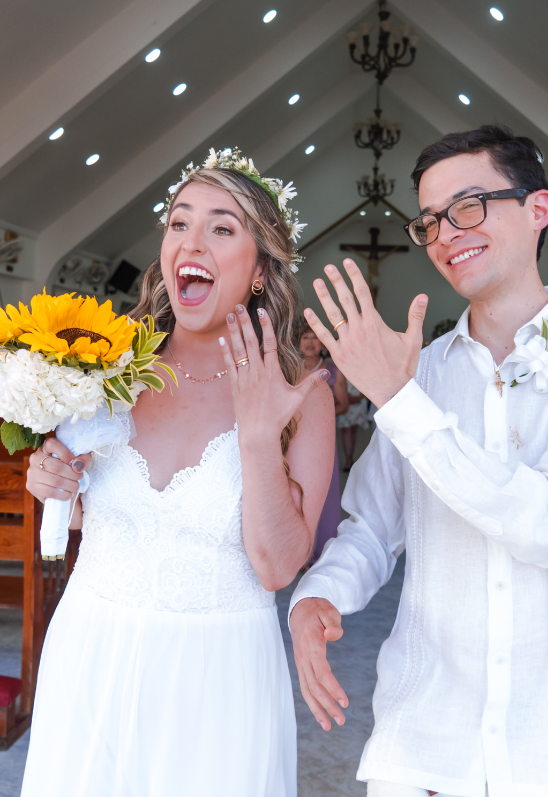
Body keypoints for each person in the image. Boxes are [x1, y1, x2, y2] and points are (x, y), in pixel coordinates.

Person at [289, 125, 548, 797]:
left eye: (468, 206)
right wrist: (319, 592)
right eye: (429, 220)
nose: (446, 233)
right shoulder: (419, 375)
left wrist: (398, 402)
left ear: (537, 209)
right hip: (426, 739)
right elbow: (372, 527)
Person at [21, 149, 334, 797]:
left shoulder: (302, 395)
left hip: (219, 679)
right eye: (179, 223)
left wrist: (257, 437)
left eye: (221, 228)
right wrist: (51, 480)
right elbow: (84, 508)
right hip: (91, 654)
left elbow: (278, 567)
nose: (192, 242)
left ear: (259, 270)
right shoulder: (108, 366)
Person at [298, 324, 348, 564]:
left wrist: (318, 418)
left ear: (323, 343)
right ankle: (297, 554)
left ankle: (321, 555)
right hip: (295, 439)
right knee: (297, 494)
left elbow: (343, 405)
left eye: (315, 338)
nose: (310, 342)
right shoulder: (290, 369)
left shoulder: (333, 370)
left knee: (325, 494)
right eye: (305, 337)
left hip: (323, 439)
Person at [337, 381, 370, 471]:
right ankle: (348, 459)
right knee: (345, 428)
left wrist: (360, 396)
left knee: (354, 429)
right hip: (344, 398)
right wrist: (344, 397)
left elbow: (368, 381)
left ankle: (351, 457)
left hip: (359, 397)